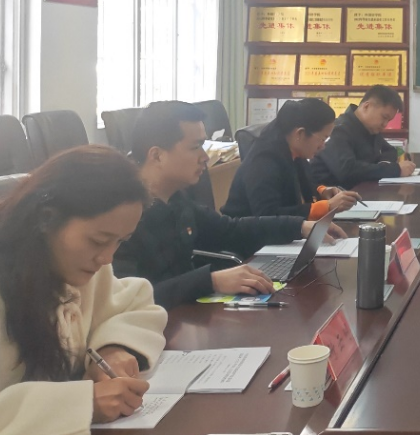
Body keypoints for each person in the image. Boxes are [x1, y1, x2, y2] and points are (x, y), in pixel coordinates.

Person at [0, 146, 168, 433]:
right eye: (98, 240)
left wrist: (112, 349)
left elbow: (135, 304)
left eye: (120, 241)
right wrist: (83, 404)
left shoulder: (78, 264)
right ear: (46, 218)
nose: (107, 258)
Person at [114, 101, 347, 310]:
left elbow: (231, 230)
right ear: (157, 155)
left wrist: (300, 227)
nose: (205, 157)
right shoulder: (121, 217)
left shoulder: (176, 199)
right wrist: (210, 281)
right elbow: (125, 299)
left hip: (184, 318)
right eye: (195, 147)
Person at [222, 98, 360, 219]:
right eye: (322, 139)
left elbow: (298, 185)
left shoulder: (293, 152)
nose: (323, 146)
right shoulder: (263, 161)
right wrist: (327, 206)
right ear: (300, 133)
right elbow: (268, 215)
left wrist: (322, 191)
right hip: (249, 237)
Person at [311, 85, 416, 187]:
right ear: (366, 106)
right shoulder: (339, 130)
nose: (385, 124)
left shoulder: (371, 129)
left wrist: (383, 165)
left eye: (388, 120)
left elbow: (390, 151)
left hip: (361, 191)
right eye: (384, 117)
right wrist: (394, 170)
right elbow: (347, 170)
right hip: (330, 194)